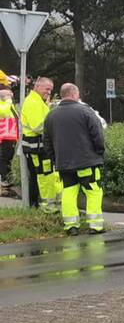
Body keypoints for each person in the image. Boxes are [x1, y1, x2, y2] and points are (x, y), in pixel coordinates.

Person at [43, 83, 106, 235]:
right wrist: (99, 152)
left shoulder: (51, 115)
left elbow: (47, 141)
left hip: (64, 164)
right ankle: (95, 225)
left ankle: (71, 226)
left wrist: (55, 158)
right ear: (74, 94)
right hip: (86, 162)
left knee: (69, 193)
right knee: (93, 191)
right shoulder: (85, 111)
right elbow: (97, 135)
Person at [20, 76, 62, 211]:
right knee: (44, 177)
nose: (49, 92)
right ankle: (45, 206)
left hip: (40, 147)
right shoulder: (33, 102)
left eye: (50, 90)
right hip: (37, 147)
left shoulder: (38, 101)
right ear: (37, 87)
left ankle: (44, 205)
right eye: (47, 89)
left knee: (46, 176)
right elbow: (38, 126)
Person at [0, 89, 18, 191]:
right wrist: (8, 101)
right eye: (8, 94)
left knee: (8, 158)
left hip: (10, 136)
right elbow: (5, 112)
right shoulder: (4, 105)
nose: (11, 95)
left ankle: (8, 177)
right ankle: (5, 179)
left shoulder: (7, 104)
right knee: (4, 158)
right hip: (5, 136)